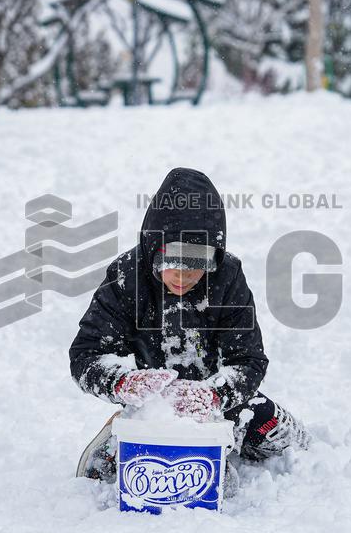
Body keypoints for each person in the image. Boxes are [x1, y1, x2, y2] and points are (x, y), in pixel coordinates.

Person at [70, 167, 311, 482]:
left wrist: (214, 395)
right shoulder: (126, 277)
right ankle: (121, 427)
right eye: (174, 261)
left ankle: (233, 436)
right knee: (108, 474)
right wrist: (123, 384)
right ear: (155, 248)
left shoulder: (227, 278)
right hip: (152, 404)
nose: (184, 275)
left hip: (218, 397)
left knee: (282, 440)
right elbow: (86, 354)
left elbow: (248, 359)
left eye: (198, 263)